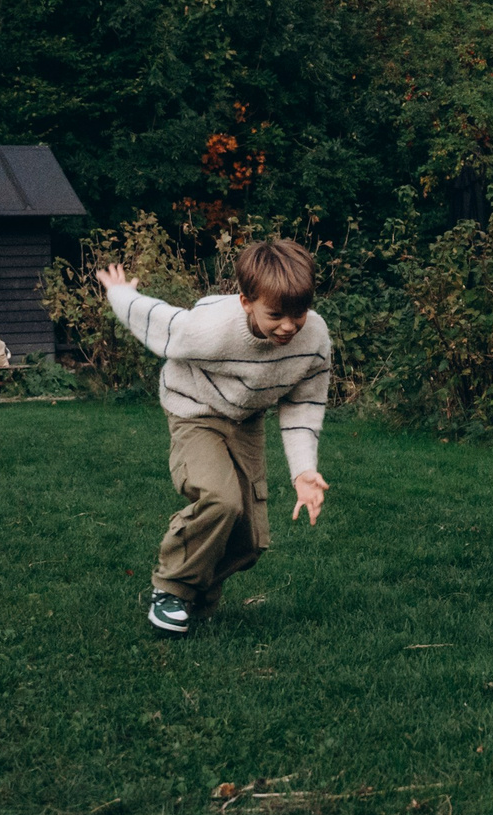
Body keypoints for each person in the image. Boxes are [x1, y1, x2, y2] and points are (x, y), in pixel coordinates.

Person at [98, 238, 333, 638]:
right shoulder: (209, 327)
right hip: (194, 410)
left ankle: (196, 594)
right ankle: (171, 589)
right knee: (221, 500)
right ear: (246, 302)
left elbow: (302, 405)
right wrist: (120, 293)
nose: (289, 326)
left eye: (299, 313)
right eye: (275, 315)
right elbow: (157, 320)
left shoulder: (314, 340)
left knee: (250, 542)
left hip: (245, 419)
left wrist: (303, 471)